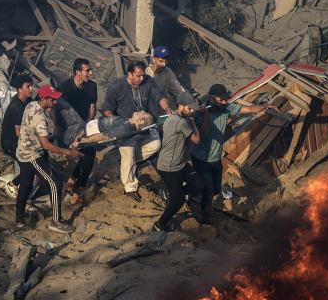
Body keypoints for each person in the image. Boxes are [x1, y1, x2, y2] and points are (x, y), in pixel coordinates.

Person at [192, 84, 280, 225]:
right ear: (212, 99)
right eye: (221, 100)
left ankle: (192, 190)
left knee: (215, 189)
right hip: (201, 158)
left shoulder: (227, 108)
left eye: (226, 100)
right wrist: (206, 115)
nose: (225, 103)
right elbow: (202, 135)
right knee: (208, 191)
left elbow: (250, 109)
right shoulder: (199, 113)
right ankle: (205, 221)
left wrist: (264, 106)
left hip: (215, 158)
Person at [15, 84, 83, 233]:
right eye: (52, 100)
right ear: (44, 99)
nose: (55, 102)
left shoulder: (31, 105)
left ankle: (19, 221)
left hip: (21, 152)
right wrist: (69, 152)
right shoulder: (40, 118)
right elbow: (46, 145)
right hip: (32, 156)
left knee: (25, 186)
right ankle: (56, 221)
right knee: (55, 182)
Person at [102, 60, 172, 201]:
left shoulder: (148, 81)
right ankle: (130, 187)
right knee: (128, 152)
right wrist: (119, 124)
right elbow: (106, 108)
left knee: (156, 144)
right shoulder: (117, 86)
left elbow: (159, 96)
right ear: (129, 74)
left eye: (143, 75)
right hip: (126, 126)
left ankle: (128, 164)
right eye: (138, 76)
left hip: (145, 123)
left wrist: (167, 108)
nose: (141, 78)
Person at [153, 92, 205, 232]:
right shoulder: (180, 121)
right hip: (169, 167)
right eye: (189, 108)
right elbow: (196, 139)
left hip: (180, 163)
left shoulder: (179, 117)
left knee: (199, 186)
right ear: (180, 105)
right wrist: (193, 120)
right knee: (178, 201)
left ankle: (169, 192)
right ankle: (159, 225)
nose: (192, 110)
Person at [56, 58, 98, 205]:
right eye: (87, 70)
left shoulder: (92, 86)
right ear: (78, 72)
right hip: (67, 129)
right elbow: (51, 106)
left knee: (90, 153)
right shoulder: (65, 88)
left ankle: (75, 185)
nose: (91, 73)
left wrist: (86, 127)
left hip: (84, 127)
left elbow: (93, 109)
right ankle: (74, 184)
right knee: (87, 154)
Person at [0, 74, 33, 199]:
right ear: (20, 89)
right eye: (28, 86)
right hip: (10, 143)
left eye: (31, 86)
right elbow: (19, 133)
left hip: (20, 140)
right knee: (29, 165)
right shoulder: (17, 107)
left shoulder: (28, 101)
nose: (31, 89)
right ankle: (12, 184)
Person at [145, 46, 186, 117]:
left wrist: (189, 100)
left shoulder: (168, 72)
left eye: (166, 61)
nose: (164, 64)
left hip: (163, 111)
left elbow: (178, 90)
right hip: (147, 113)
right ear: (154, 59)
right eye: (161, 61)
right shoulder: (146, 73)